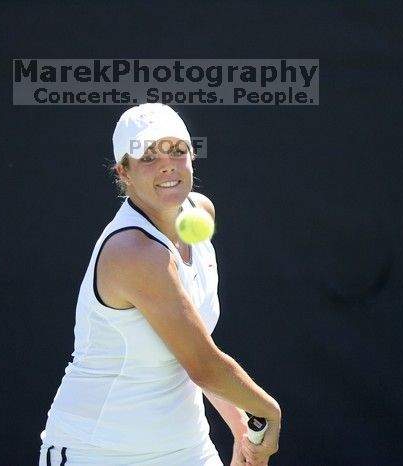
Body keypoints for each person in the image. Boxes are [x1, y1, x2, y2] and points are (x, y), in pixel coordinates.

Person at [39, 103, 281, 466]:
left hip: (185, 450)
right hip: (97, 453)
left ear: (191, 156)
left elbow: (191, 349)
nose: (167, 164)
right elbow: (202, 364)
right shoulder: (134, 252)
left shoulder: (200, 214)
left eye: (177, 151)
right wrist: (269, 412)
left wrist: (243, 431)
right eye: (148, 157)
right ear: (124, 173)